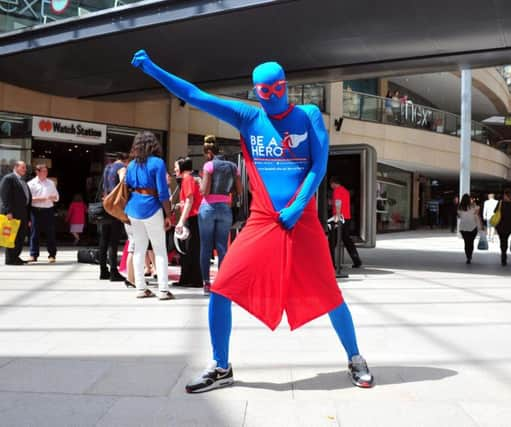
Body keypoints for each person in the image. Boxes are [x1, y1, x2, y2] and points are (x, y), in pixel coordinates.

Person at [132, 51, 374, 391]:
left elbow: (318, 166)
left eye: (278, 89)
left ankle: (355, 357)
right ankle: (220, 366)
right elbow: (194, 96)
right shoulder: (248, 118)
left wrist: (298, 206)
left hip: (301, 221)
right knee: (221, 289)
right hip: (262, 221)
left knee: (330, 293)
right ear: (255, 91)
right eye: (265, 90)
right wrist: (154, 68)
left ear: (286, 86)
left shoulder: (308, 116)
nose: (272, 96)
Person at [124, 131, 174, 301]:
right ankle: (163, 289)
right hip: (152, 207)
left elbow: (128, 186)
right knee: (160, 249)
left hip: (133, 209)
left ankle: (140, 288)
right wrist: (169, 214)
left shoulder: (131, 165)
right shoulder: (158, 163)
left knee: (139, 248)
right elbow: (163, 193)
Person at [198, 136, 243, 296]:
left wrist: (201, 181)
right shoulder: (233, 167)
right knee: (222, 246)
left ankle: (206, 284)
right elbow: (240, 190)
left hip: (208, 208)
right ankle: (222, 282)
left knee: (206, 246)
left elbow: (205, 191)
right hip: (225, 209)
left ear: (210, 153)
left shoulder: (209, 165)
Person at [173, 156, 203, 287]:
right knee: (190, 249)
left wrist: (181, 220)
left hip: (192, 218)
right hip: (194, 217)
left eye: (176, 167)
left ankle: (191, 279)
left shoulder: (187, 179)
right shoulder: (190, 179)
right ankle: (189, 279)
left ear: (182, 168)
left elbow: (190, 200)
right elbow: (189, 200)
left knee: (189, 250)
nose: (174, 169)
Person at [99, 153, 128, 281]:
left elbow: (103, 187)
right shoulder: (122, 167)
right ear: (125, 160)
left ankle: (103, 270)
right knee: (113, 240)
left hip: (106, 205)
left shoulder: (107, 167)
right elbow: (123, 182)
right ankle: (113, 272)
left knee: (104, 239)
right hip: (115, 206)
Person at [0, 161, 31, 265]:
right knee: (12, 236)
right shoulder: (9, 178)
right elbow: (5, 196)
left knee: (21, 236)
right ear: (16, 167)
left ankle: (15, 256)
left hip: (22, 213)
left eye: (25, 168)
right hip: (12, 213)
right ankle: (10, 259)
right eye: (23, 167)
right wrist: (8, 211)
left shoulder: (22, 181)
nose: (25, 170)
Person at [27, 164, 59, 263]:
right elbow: (28, 199)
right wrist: (40, 199)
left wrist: (53, 198)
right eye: (43, 171)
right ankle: (33, 255)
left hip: (48, 210)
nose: (45, 173)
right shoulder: (31, 183)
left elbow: (57, 197)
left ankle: (52, 255)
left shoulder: (51, 183)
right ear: (37, 172)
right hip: (35, 210)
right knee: (34, 233)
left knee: (50, 233)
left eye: (46, 171)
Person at [328, 176, 362, 268]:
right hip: (346, 218)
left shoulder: (337, 190)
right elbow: (342, 202)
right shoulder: (346, 191)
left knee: (332, 241)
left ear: (333, 183)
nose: (331, 186)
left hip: (339, 218)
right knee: (347, 240)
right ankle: (356, 260)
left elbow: (338, 202)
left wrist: (338, 215)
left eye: (331, 184)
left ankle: (332, 264)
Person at [495, 188, 511, 266]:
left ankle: (503, 253)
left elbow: (495, 212)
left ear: (505, 195)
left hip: (500, 225)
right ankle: (504, 253)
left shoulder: (500, 203)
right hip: (509, 226)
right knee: (505, 240)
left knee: (502, 240)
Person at [457, 194, 482, 264]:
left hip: (463, 228)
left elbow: (459, 216)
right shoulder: (473, 206)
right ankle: (470, 255)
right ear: (469, 199)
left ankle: (468, 256)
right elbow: (478, 209)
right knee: (471, 242)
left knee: (466, 242)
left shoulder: (460, 207)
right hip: (473, 227)